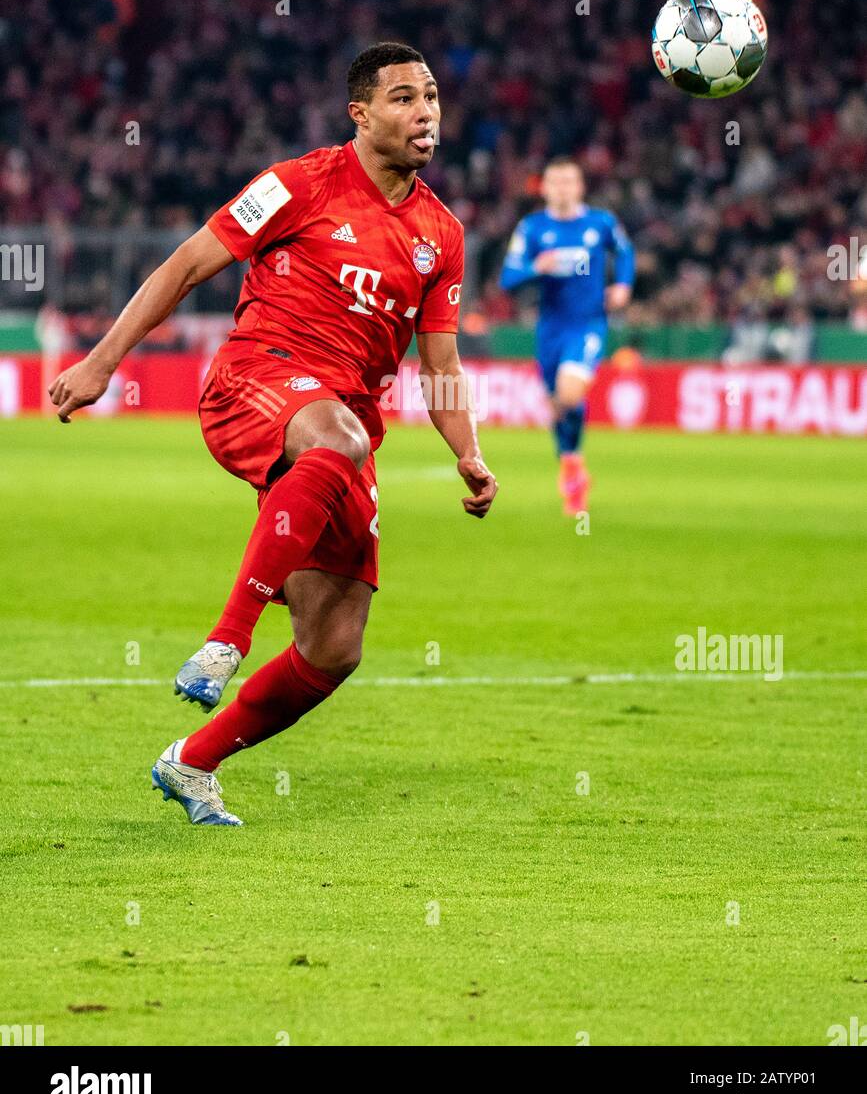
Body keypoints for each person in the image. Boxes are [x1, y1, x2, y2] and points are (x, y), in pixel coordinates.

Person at [49, 42, 498, 826]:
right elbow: (187, 265)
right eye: (401, 98)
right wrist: (101, 362)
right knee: (339, 440)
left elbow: (441, 360)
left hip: (340, 429)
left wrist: (467, 451)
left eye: (429, 96)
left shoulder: (441, 233)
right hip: (254, 379)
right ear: (359, 115)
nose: (424, 111)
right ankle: (226, 638)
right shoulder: (296, 183)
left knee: (334, 645)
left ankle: (191, 761)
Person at [500, 157, 633, 514]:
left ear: (580, 187)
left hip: (588, 324)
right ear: (543, 188)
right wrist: (534, 268)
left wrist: (622, 285)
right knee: (559, 404)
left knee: (570, 395)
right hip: (550, 330)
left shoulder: (600, 223)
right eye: (554, 182)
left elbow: (625, 252)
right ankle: (572, 464)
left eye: (568, 181)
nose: (561, 188)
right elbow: (507, 280)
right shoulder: (531, 229)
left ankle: (572, 463)